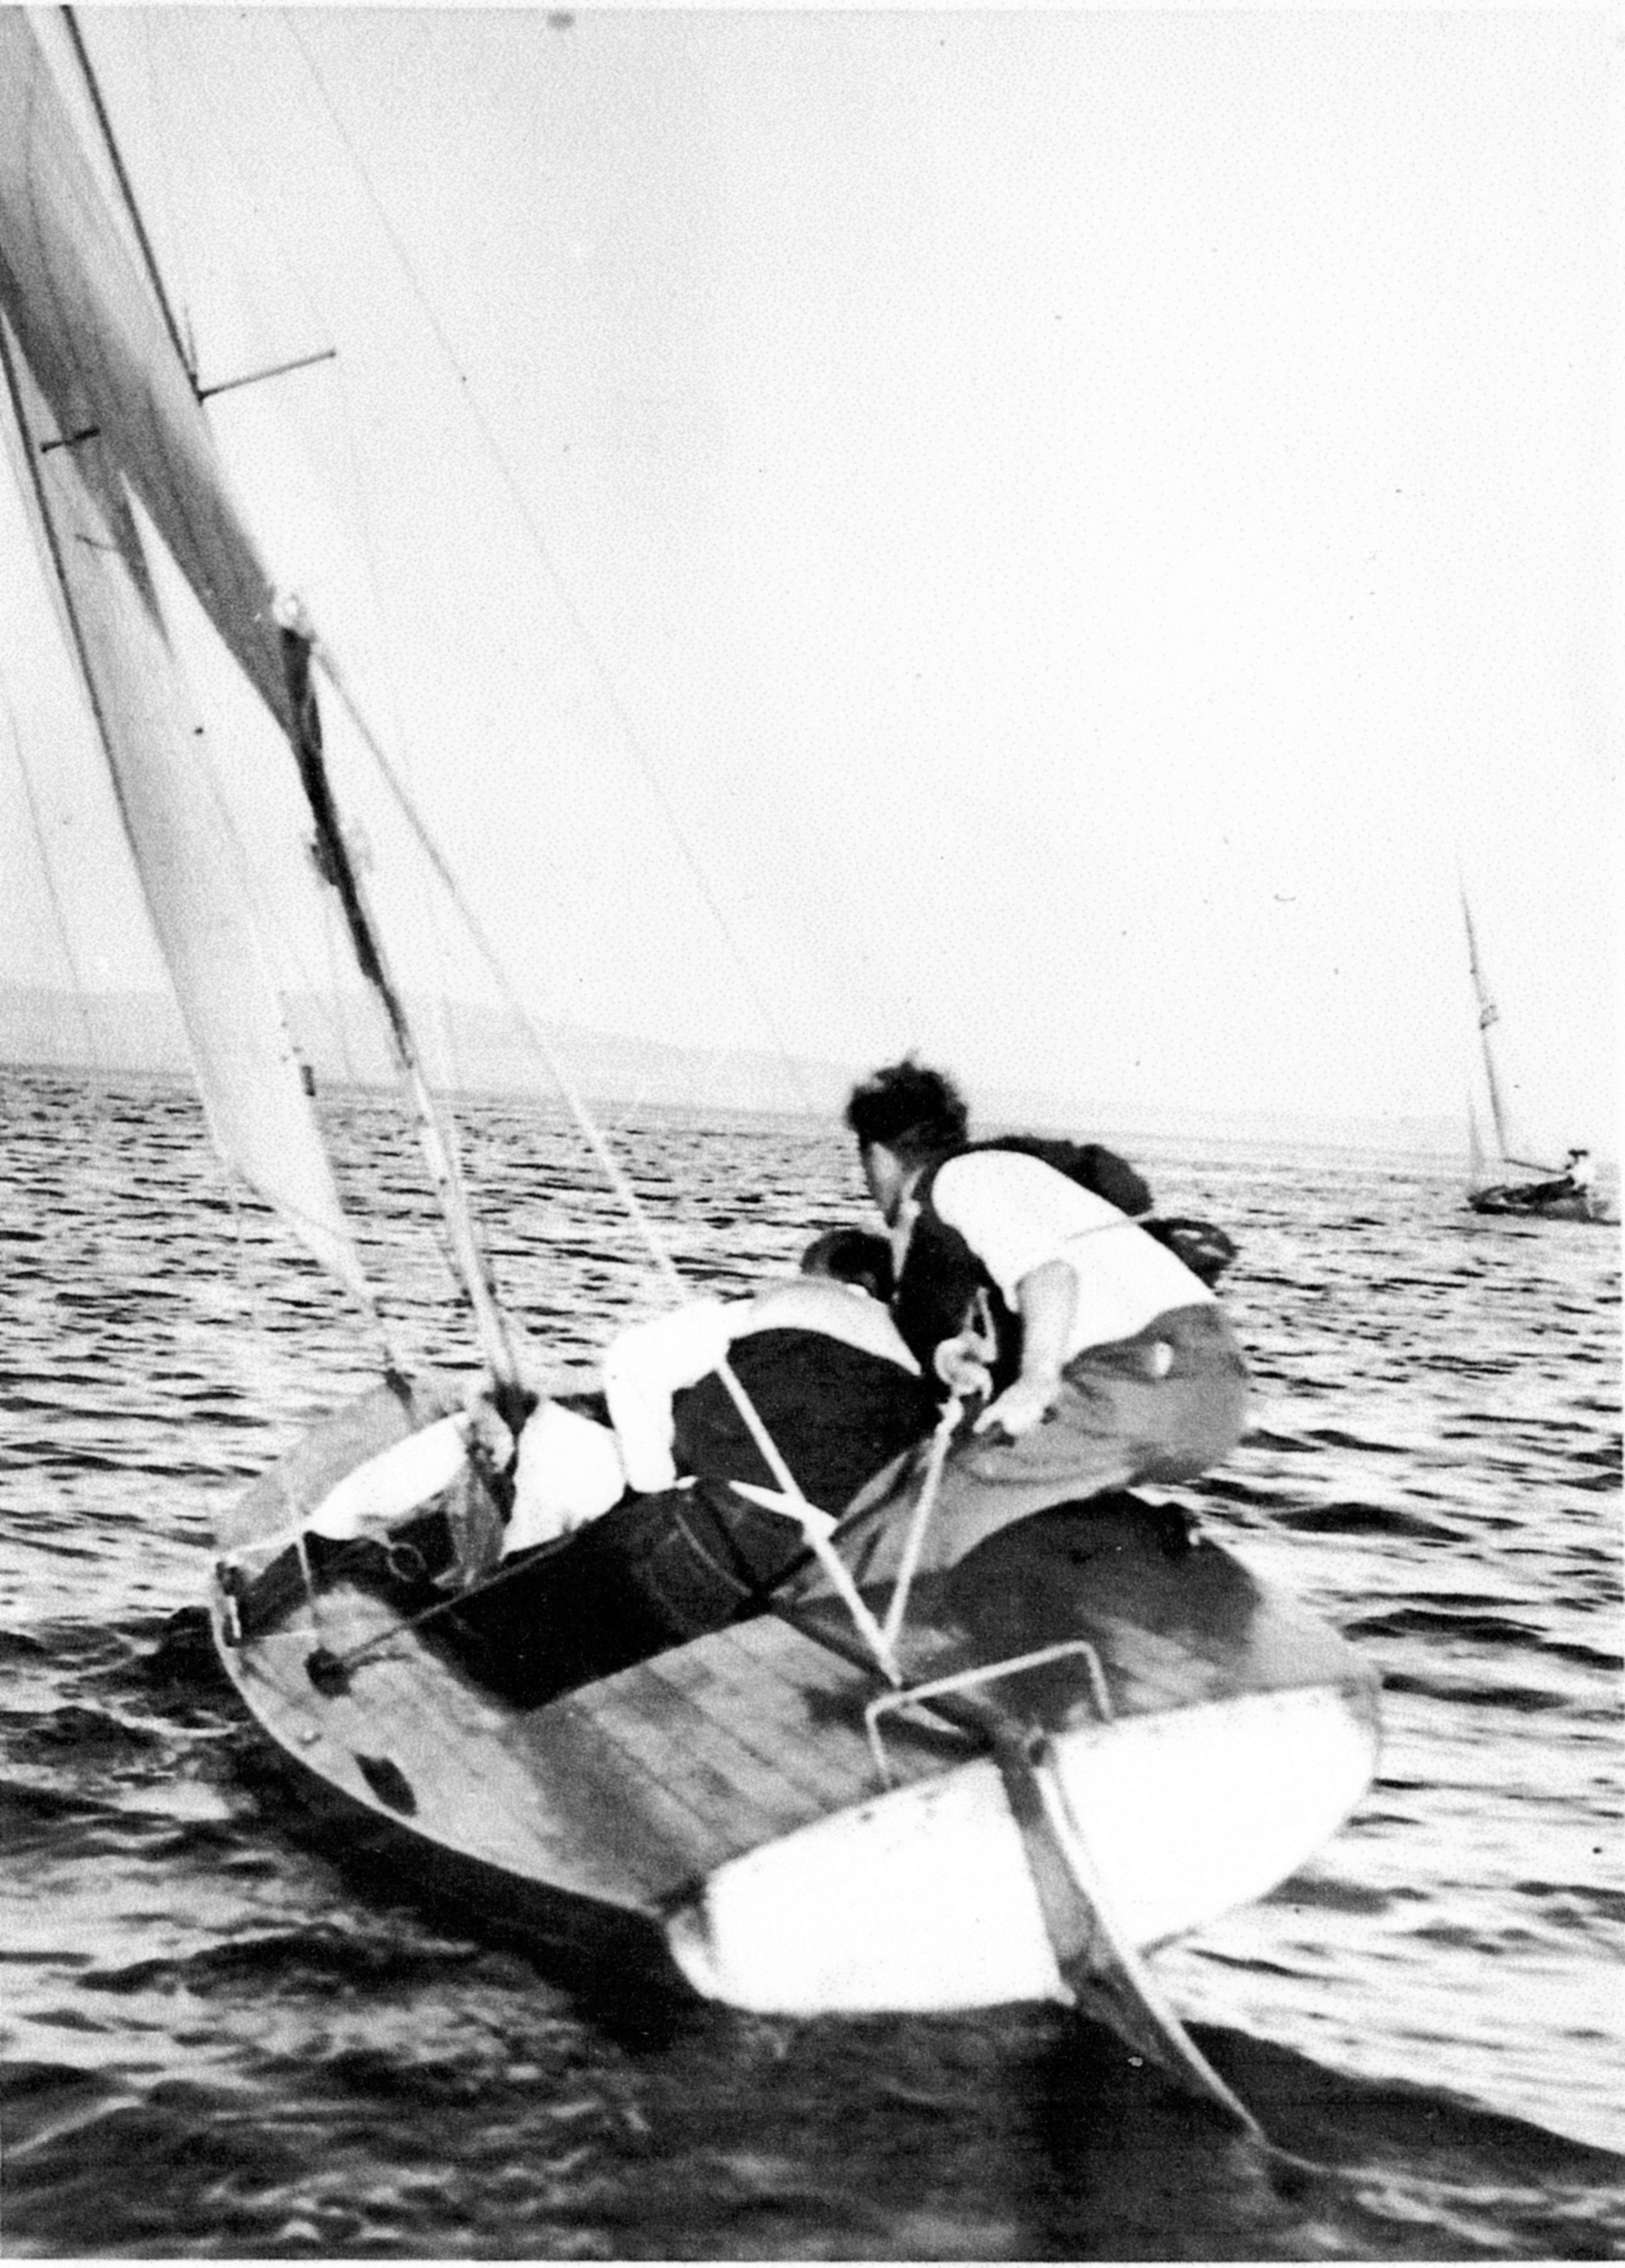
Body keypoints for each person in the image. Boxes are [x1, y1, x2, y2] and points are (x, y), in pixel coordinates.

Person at [841, 1057, 1249, 1552]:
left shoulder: (956, 1180)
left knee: (895, 1519)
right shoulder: (1026, 1173)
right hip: (1218, 1397)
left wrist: (1037, 1382)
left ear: (880, 1157)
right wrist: (959, 1357)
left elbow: (1049, 1275)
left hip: (1134, 1388)